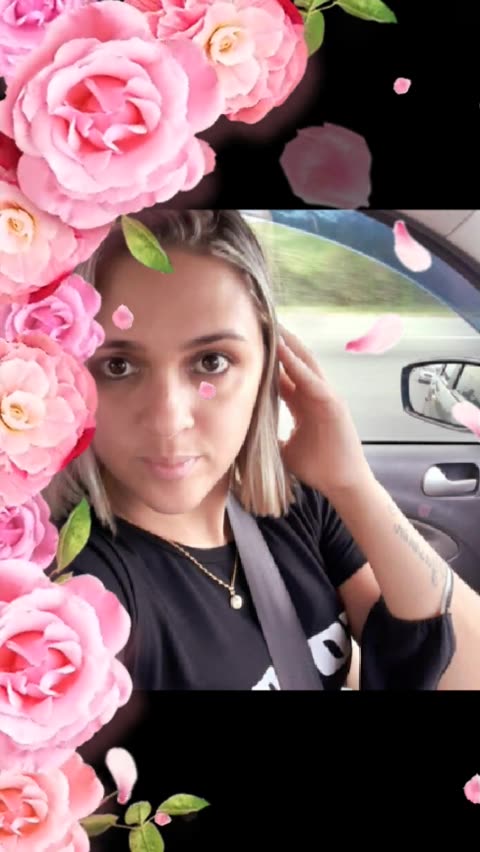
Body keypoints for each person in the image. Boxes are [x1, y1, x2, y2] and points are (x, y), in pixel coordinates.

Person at [43, 208, 480, 690]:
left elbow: (465, 672)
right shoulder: (78, 593)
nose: (169, 419)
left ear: (270, 367)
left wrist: (353, 484)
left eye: (212, 361)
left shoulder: (297, 505)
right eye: (118, 366)